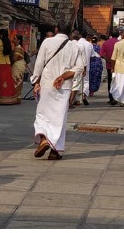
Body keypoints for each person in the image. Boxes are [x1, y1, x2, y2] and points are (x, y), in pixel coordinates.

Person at [31, 24, 84, 160]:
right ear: (70, 33)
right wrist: (63, 76)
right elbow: (80, 68)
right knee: (59, 118)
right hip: (64, 86)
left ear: (56, 30)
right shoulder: (74, 46)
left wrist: (36, 81)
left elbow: (39, 63)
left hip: (47, 83)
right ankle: (55, 151)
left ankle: (44, 139)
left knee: (42, 114)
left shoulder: (47, 42)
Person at [0, 28, 15, 104]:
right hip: (7, 63)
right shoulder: (9, 43)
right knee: (6, 80)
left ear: (1, 34)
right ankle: (7, 97)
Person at [100, 30, 119, 105]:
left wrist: (107, 59)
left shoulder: (106, 43)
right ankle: (116, 97)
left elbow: (101, 54)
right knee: (117, 82)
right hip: (118, 65)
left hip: (109, 65)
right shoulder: (119, 43)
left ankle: (111, 97)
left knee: (110, 81)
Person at [11, 34, 27, 101]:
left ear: (18, 40)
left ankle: (15, 96)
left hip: (18, 65)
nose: (13, 40)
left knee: (16, 80)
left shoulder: (18, 48)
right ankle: (17, 96)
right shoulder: (18, 47)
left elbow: (15, 58)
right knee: (18, 80)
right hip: (20, 65)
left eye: (15, 38)